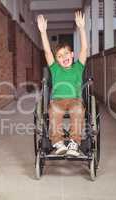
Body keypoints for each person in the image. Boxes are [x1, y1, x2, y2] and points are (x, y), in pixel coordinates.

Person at [37, 11, 87, 156]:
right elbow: (47, 51)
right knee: (54, 112)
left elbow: (84, 49)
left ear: (72, 54)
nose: (63, 57)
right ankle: (58, 142)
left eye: (66, 53)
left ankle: (74, 143)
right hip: (57, 101)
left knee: (77, 110)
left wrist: (82, 28)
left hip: (75, 100)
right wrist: (43, 32)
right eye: (59, 56)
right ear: (57, 60)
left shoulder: (78, 67)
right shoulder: (55, 69)